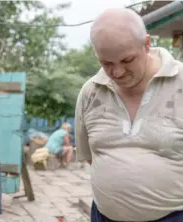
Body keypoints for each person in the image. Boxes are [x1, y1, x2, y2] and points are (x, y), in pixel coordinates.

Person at [75, 8, 183, 222]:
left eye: (127, 60)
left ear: (147, 44)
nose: (117, 73)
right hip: (104, 216)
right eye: (106, 63)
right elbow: (90, 156)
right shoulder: (91, 91)